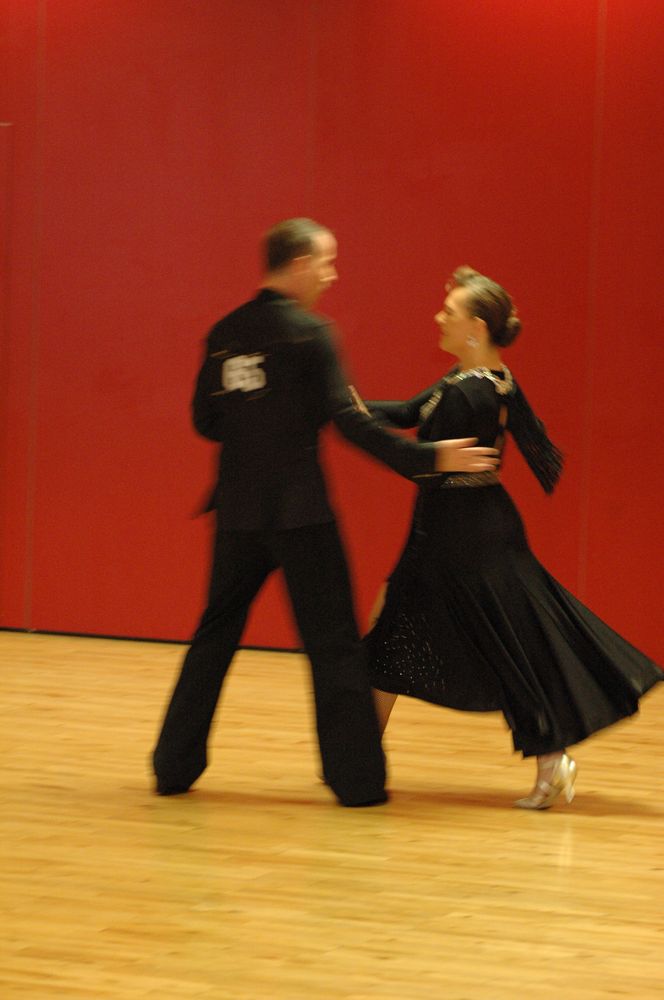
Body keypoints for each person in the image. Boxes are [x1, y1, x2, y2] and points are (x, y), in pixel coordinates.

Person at [152, 223, 500, 808]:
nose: (332, 275)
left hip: (237, 512)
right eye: (326, 263)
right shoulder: (313, 334)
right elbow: (350, 422)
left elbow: (205, 422)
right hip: (300, 515)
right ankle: (356, 781)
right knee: (334, 644)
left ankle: (172, 767)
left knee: (214, 637)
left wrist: (256, 424)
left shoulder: (225, 332)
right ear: (299, 264)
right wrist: (427, 460)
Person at [363, 265, 662, 809]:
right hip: (462, 528)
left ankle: (546, 759)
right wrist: (348, 407)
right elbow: (408, 412)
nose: (439, 317)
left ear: (476, 328)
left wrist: (348, 419)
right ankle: (359, 755)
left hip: (463, 536)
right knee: (399, 633)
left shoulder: (472, 393)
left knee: (494, 644)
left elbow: (424, 460)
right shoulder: (480, 379)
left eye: (449, 311)